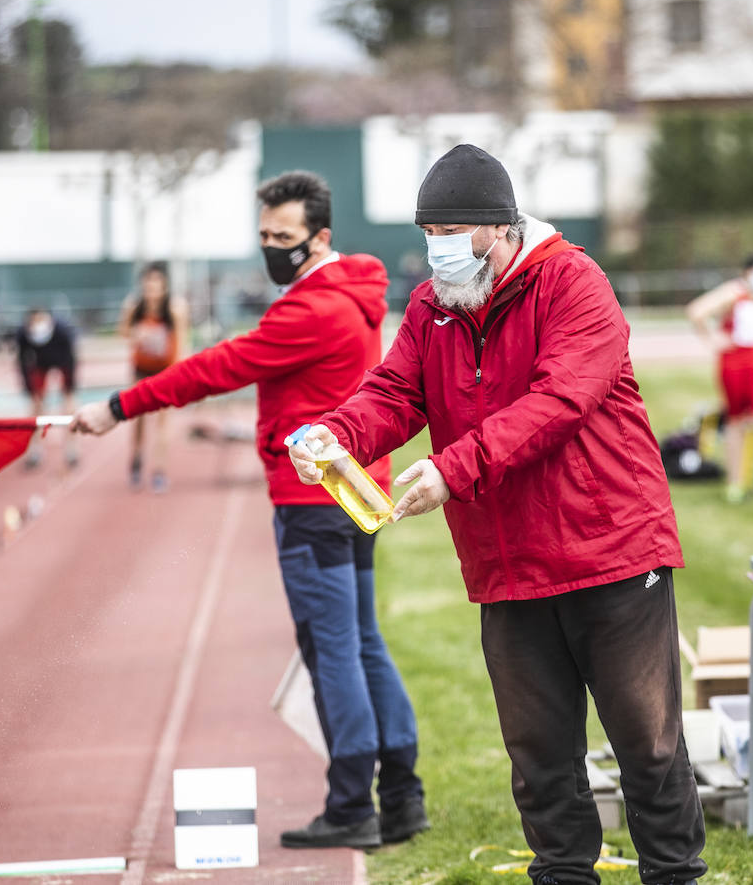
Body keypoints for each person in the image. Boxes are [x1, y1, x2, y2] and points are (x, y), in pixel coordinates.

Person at [288, 144, 706, 885]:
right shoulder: (433, 307)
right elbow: (394, 392)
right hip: (508, 569)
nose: (436, 253)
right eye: (429, 236)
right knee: (540, 762)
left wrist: (453, 470)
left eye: (452, 236)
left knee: (649, 749)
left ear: (502, 230)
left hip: (610, 551)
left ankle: (673, 875)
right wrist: (338, 433)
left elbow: (558, 403)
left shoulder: (575, 283)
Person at [71, 171, 425, 851]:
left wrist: (119, 406)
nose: (271, 247)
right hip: (355, 491)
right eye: (263, 235)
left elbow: (218, 367)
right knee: (363, 641)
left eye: (283, 237)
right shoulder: (355, 289)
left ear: (319, 237)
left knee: (334, 652)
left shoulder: (310, 310)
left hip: (313, 497)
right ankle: (403, 797)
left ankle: (354, 805)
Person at [685, 255, 753, 503]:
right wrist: (713, 339)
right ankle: (735, 482)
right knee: (735, 421)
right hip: (732, 361)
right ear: (747, 273)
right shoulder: (733, 292)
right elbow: (696, 311)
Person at [118, 261, 189, 493]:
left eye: (156, 283)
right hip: (141, 370)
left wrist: (179, 375)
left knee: (162, 421)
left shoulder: (174, 309)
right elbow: (123, 333)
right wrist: (139, 334)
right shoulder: (134, 307)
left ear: (165, 285)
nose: (152, 288)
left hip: (165, 371)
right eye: (148, 283)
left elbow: (182, 341)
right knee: (137, 419)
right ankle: (136, 458)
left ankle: (159, 470)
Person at [15, 308, 78, 469]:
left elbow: (71, 360)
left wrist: (69, 386)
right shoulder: (23, 334)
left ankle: (72, 449)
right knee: (35, 407)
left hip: (62, 361)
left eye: (40, 320)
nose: (38, 325)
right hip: (39, 364)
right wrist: (30, 389)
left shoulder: (62, 332)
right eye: (34, 322)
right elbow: (22, 362)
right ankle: (35, 450)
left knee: (70, 405)